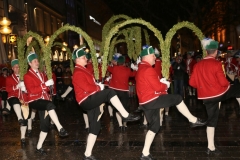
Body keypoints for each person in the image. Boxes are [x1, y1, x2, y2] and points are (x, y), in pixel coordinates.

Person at [135, 46, 206, 160]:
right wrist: (165, 85)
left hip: (145, 102)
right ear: (147, 57)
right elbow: (158, 87)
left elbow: (149, 85)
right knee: (177, 98)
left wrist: (160, 84)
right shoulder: (148, 69)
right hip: (152, 100)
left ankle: (145, 153)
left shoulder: (141, 68)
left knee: (155, 126)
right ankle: (193, 120)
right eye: (153, 56)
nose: (155, 58)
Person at [72, 47, 140, 160]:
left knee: (95, 127)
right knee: (109, 93)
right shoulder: (78, 72)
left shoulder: (83, 70)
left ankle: (87, 154)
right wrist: (98, 87)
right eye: (83, 57)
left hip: (90, 99)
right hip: (86, 100)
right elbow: (87, 88)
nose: (86, 59)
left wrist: (97, 85)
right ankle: (125, 115)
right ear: (78, 59)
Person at [189, 38, 240, 155]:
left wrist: (202, 86)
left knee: (212, 121)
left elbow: (192, 83)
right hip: (218, 94)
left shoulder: (197, 65)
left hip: (205, 97)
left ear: (206, 51)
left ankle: (210, 147)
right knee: (237, 88)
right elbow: (223, 82)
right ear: (216, 52)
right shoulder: (216, 63)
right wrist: (229, 84)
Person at [24, 52, 68, 155]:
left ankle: (39, 147)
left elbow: (46, 89)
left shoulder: (42, 74)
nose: (37, 62)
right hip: (34, 100)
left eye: (37, 60)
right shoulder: (27, 76)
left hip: (44, 100)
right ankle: (60, 128)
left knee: (45, 126)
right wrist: (45, 85)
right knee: (50, 105)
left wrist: (50, 86)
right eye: (34, 61)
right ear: (30, 63)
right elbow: (32, 90)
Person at [6, 59, 32, 146]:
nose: (18, 68)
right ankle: (19, 118)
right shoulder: (9, 78)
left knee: (25, 120)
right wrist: (16, 86)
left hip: (24, 99)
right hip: (13, 98)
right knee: (15, 100)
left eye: (19, 67)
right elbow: (8, 89)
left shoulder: (25, 77)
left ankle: (23, 138)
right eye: (16, 67)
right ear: (12, 68)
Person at [108, 56, 137, 131]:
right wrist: (136, 68)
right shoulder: (127, 70)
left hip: (114, 91)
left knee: (118, 108)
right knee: (124, 108)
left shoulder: (114, 68)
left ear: (117, 62)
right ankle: (125, 125)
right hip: (124, 92)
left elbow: (107, 67)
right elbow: (134, 74)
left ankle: (120, 125)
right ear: (124, 63)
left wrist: (112, 63)